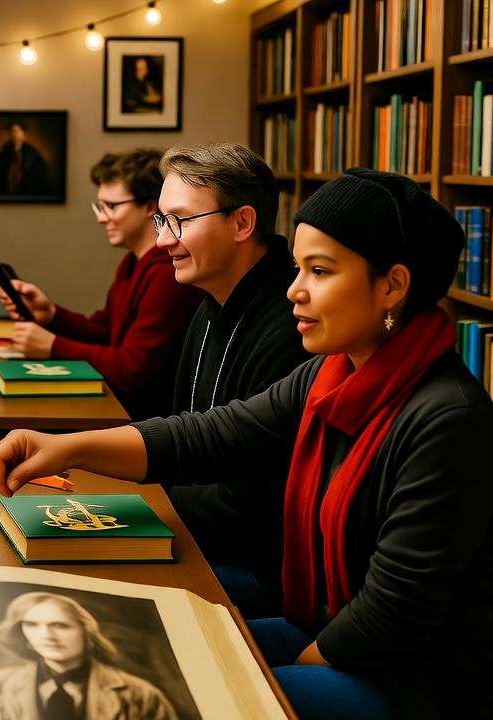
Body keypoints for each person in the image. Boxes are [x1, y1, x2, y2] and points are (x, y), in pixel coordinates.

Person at [0, 169, 493, 719]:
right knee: (143, 659)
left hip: (438, 682)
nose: (293, 289)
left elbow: (393, 613)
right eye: (298, 267)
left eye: (319, 271)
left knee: (188, 697)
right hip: (339, 632)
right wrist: (68, 447)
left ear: (392, 286)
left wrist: (269, 679)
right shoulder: (331, 374)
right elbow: (210, 434)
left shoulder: (446, 420)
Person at [153, 143, 309, 613]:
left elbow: (251, 508)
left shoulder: (294, 323)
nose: (163, 240)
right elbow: (180, 435)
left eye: (179, 220)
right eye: (161, 221)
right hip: (206, 540)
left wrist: (137, 501)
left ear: (242, 223)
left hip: (262, 571)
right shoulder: (209, 305)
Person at [0, 150, 201, 420]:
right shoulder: (132, 262)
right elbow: (105, 332)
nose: (101, 218)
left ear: (150, 206)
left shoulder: (167, 273)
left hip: (145, 422)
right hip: (120, 409)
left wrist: (53, 346)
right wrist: (51, 315)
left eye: (111, 207)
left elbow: (132, 368)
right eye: (99, 207)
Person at [0, 592, 177, 720]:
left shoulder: (141, 695)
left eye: (60, 625)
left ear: (87, 632)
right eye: (32, 625)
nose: (46, 635)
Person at [0, 121, 49, 197]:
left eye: (16, 131)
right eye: (11, 132)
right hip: (7, 191)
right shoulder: (6, 149)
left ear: (23, 133)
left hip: (26, 191)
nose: (13, 134)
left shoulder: (32, 152)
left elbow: (38, 175)